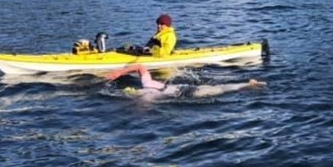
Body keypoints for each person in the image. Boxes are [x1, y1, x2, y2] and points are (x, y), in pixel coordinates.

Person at [103, 63, 267, 102]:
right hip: (181, 87)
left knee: (220, 91)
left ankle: (247, 85)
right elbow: (139, 66)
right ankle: (246, 83)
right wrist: (118, 73)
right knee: (219, 88)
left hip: (186, 93)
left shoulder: (148, 96)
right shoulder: (147, 84)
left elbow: (144, 106)